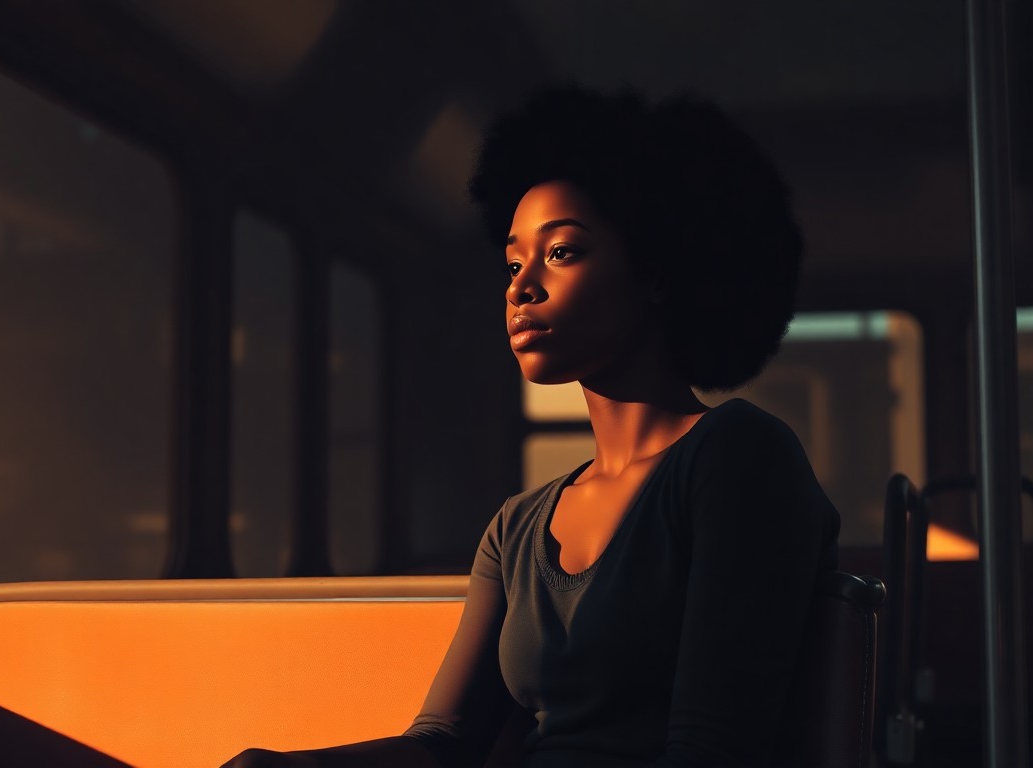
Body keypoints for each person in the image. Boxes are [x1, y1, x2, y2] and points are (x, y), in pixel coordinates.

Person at [222, 86, 841, 768]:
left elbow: (710, 751)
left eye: (562, 253)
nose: (520, 288)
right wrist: (286, 766)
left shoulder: (737, 459)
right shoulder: (517, 529)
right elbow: (446, 744)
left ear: (657, 272)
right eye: (514, 263)